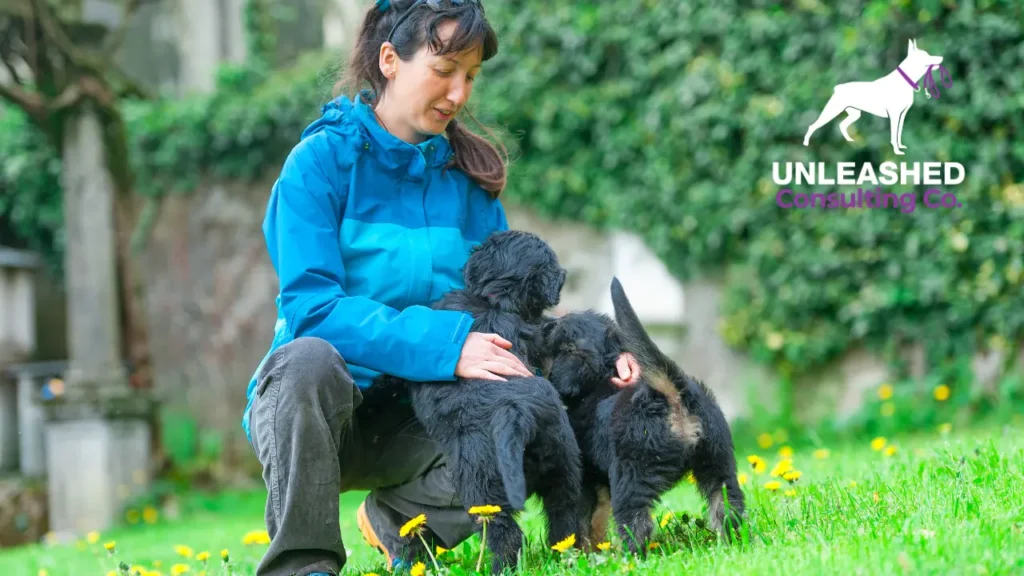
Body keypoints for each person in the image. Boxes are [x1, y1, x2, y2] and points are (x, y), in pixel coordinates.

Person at [242, 0, 641, 574]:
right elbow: (312, 310)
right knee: (306, 360)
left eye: (471, 76)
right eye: (444, 69)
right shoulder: (319, 164)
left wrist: (603, 354)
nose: (458, 93)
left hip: (434, 413)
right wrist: (447, 344)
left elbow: (517, 318)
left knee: (533, 415)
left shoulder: (470, 182)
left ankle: (401, 526)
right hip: (324, 412)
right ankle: (304, 564)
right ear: (389, 61)